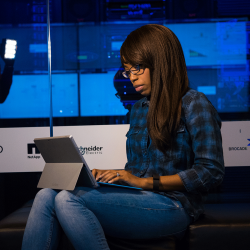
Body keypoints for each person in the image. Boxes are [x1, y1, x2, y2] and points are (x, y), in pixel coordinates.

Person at [21, 24, 224, 250]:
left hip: (174, 205)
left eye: (137, 67)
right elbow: (138, 170)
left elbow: (210, 172)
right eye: (128, 71)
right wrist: (113, 176)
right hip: (138, 197)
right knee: (47, 194)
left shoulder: (194, 103)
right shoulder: (138, 109)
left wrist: (143, 182)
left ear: (161, 61)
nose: (132, 77)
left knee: (68, 199)